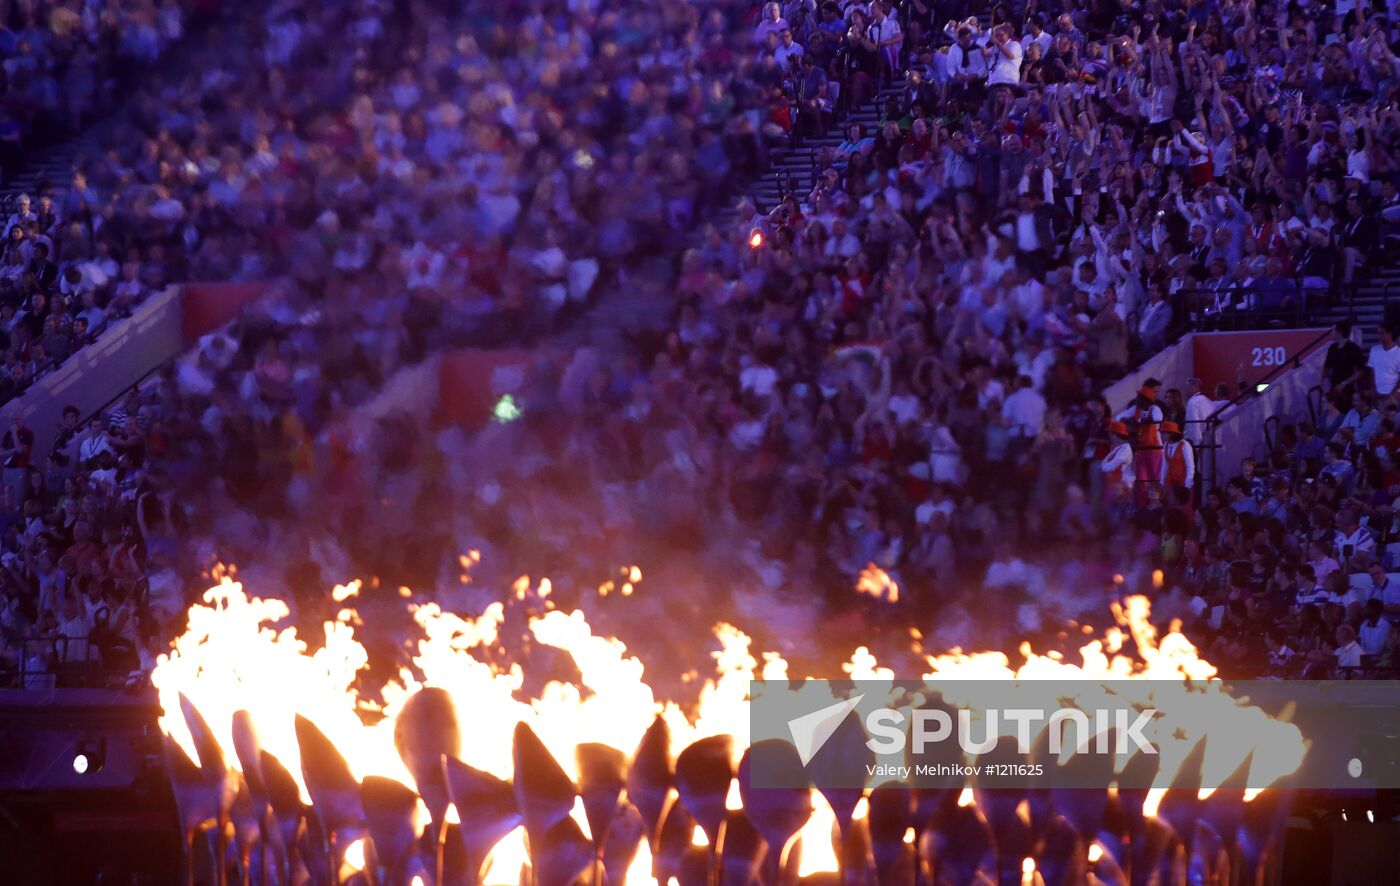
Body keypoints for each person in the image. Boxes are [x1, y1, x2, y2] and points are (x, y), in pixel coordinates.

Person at [1324, 322, 1366, 394]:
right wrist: (1321, 380)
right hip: (1334, 387)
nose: (1331, 333)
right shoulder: (1332, 348)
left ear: (1340, 332)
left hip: (1348, 389)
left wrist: (1345, 383)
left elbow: (1360, 371)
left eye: (1333, 330)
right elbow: (1326, 365)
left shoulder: (1354, 349)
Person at [1158, 422, 1194, 498]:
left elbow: (1190, 466)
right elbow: (1164, 465)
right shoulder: (1166, 445)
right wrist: (1162, 481)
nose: (1161, 435)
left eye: (1164, 433)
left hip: (1182, 480)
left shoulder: (1184, 444)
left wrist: (1188, 484)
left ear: (1171, 434)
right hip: (1170, 480)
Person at [1368, 324, 1400, 400]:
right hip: (1377, 393)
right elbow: (1372, 370)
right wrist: (1373, 388)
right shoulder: (1374, 350)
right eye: (1378, 333)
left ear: (1390, 334)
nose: (1379, 336)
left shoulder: (1398, 353)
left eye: (1382, 333)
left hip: (1394, 395)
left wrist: (1393, 393)